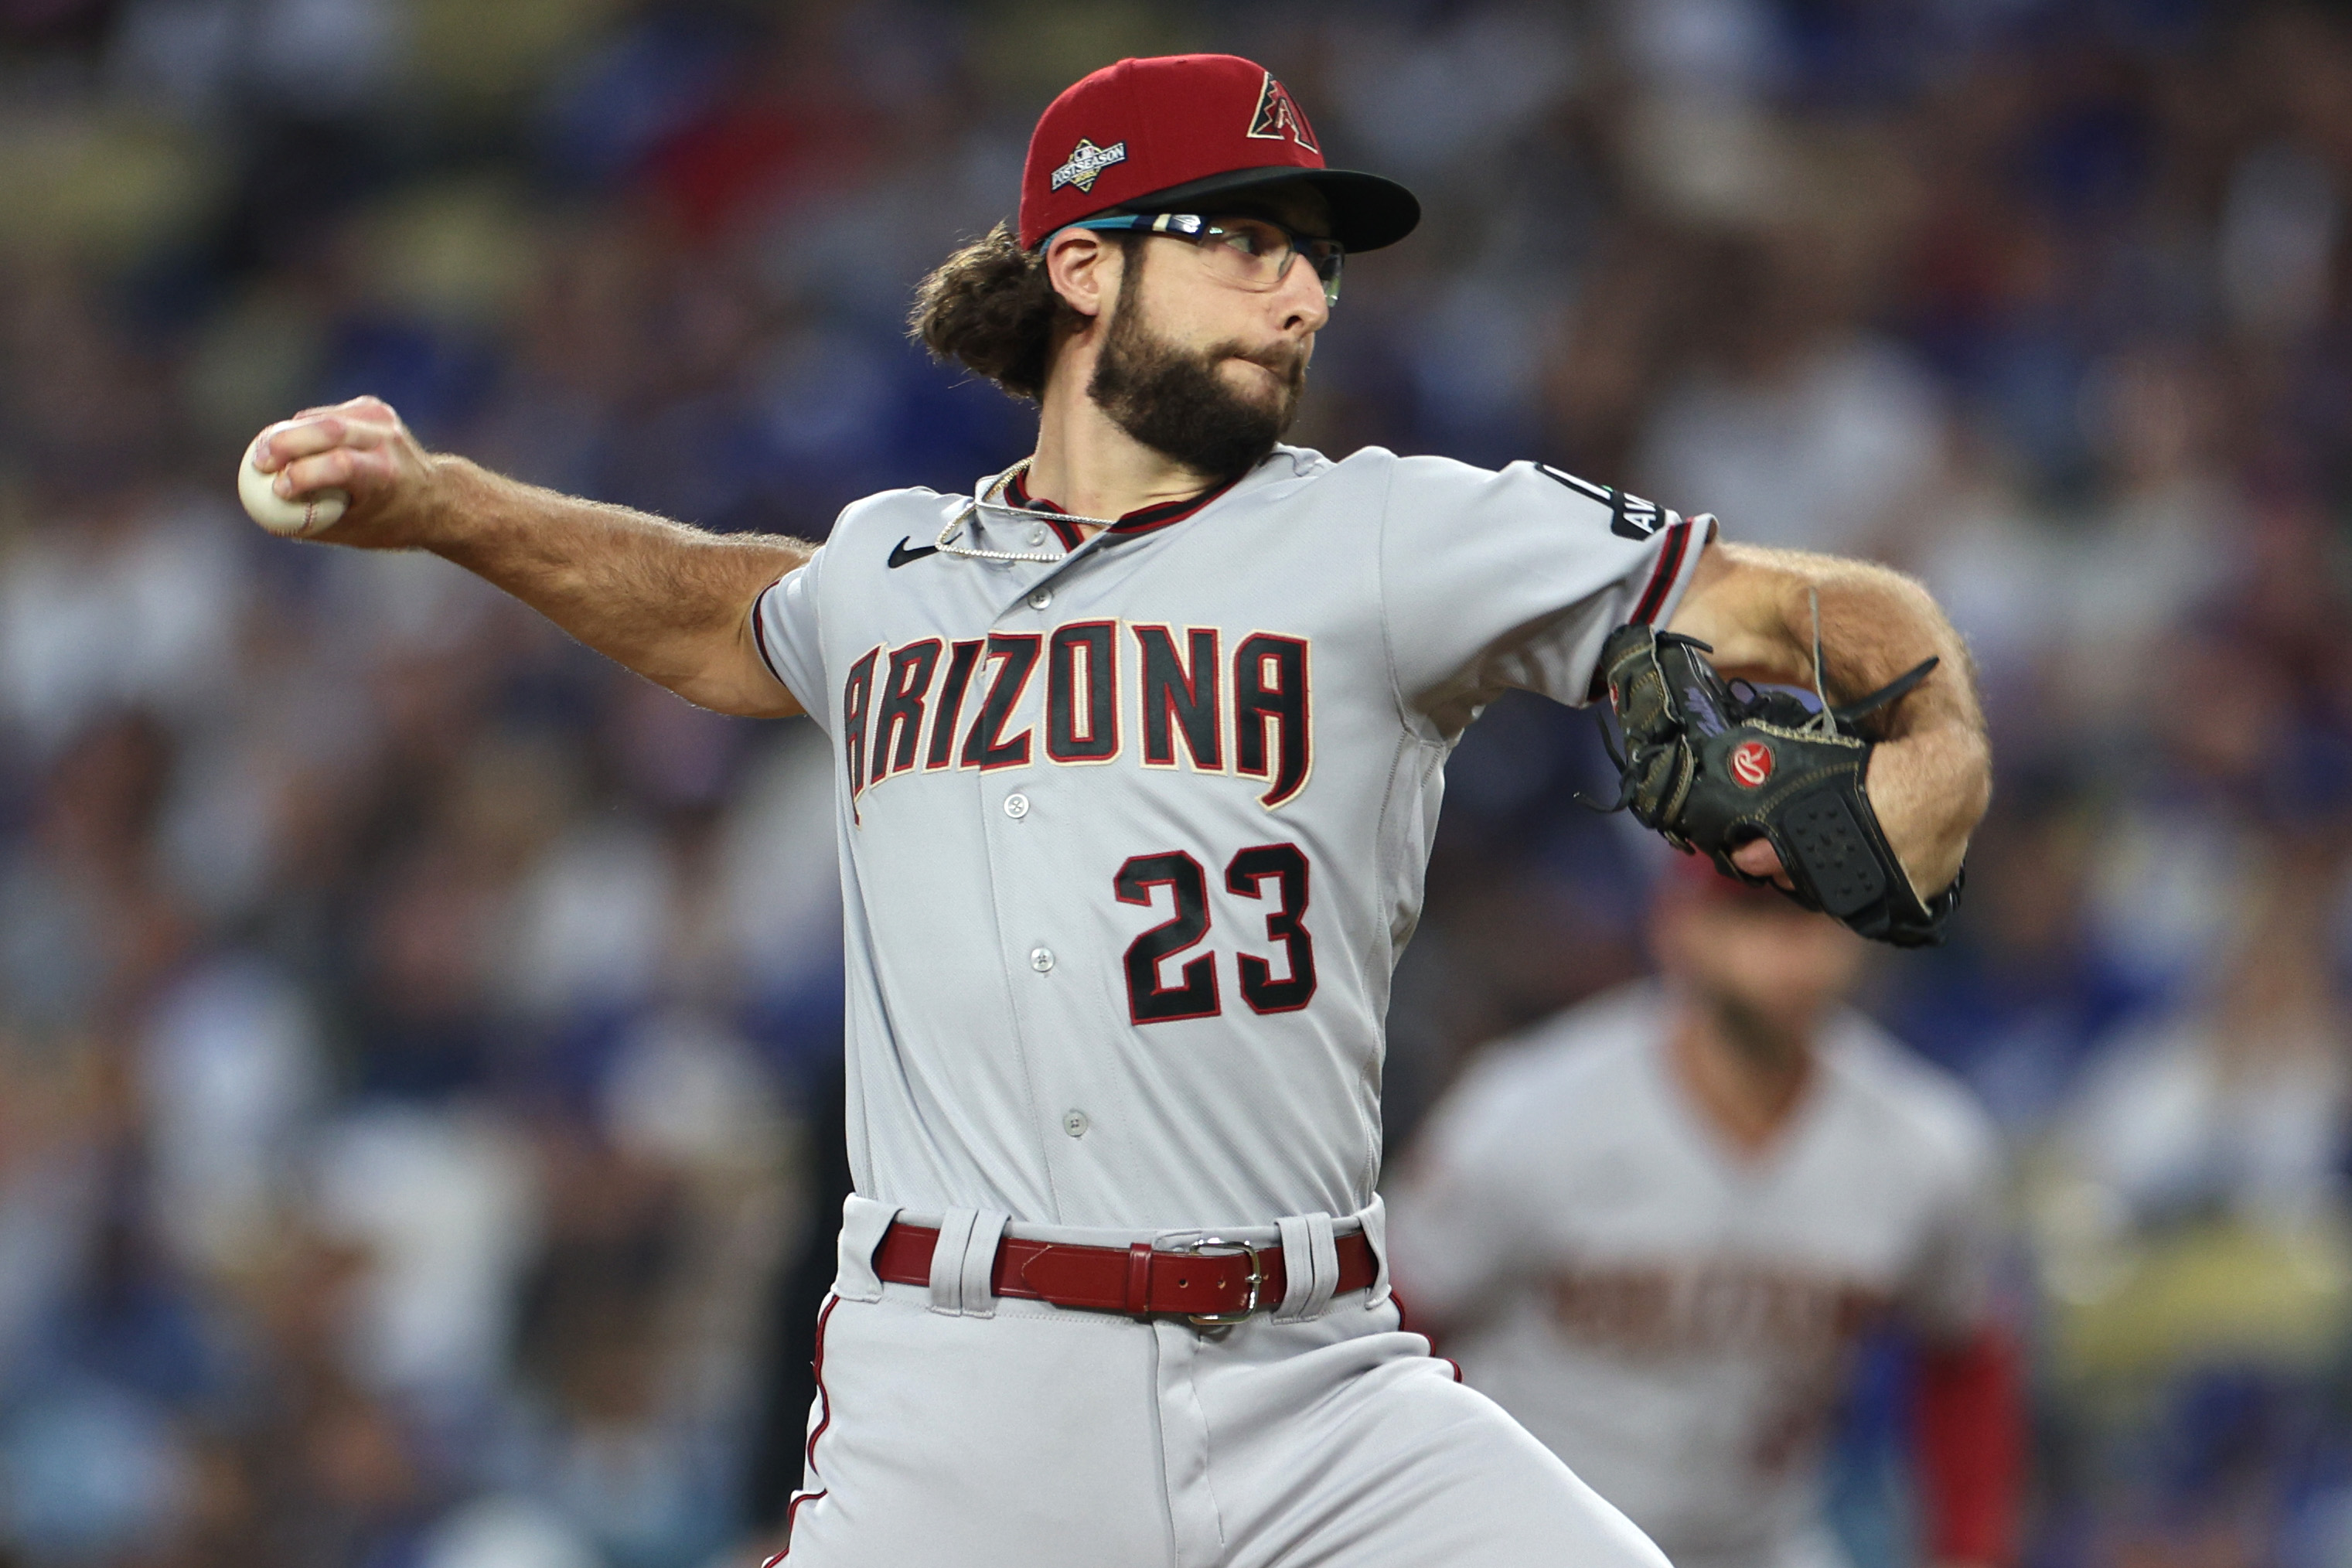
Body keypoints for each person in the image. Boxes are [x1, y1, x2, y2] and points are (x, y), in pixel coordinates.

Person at [244, 51, 1989, 1568]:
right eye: (1244, 244)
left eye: (1311, 262)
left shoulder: (1390, 533)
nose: (1301, 296)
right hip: (967, 1389)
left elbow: (1804, 616)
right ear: (1084, 266)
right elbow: (718, 606)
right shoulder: (891, 570)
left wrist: (1936, 761)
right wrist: (450, 505)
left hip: (1320, 1382)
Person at [1387, 859, 2020, 1568]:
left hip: (1759, 1545)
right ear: (1677, 925)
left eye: (1817, 911)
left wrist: (1970, 1550)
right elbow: (1390, 1327)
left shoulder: (1925, 1145)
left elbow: (1966, 1355)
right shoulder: (1526, 1110)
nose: (1789, 945)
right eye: (1752, 913)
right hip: (1529, 1541)